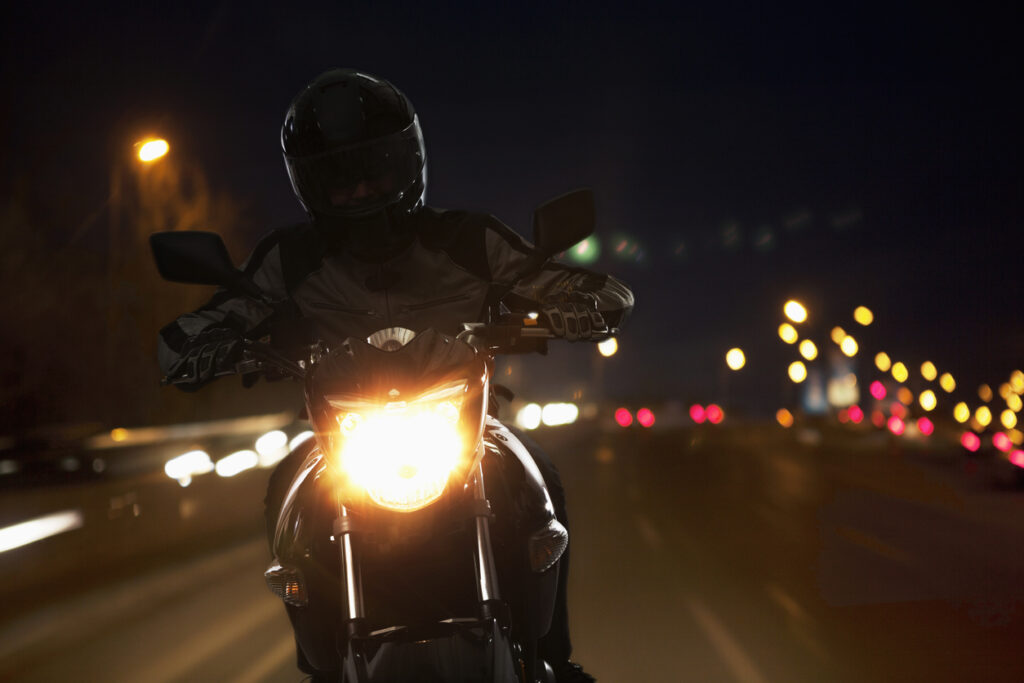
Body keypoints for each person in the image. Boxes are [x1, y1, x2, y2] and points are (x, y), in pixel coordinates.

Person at [158, 68, 633, 683]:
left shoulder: (466, 239)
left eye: (374, 168)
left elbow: (573, 284)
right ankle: (323, 667)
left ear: (408, 161)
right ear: (309, 183)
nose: (358, 188)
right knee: (286, 484)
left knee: (534, 468)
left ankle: (552, 658)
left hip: (458, 432)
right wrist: (205, 344)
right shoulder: (291, 259)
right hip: (347, 442)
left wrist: (578, 302)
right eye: (337, 176)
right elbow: (207, 322)